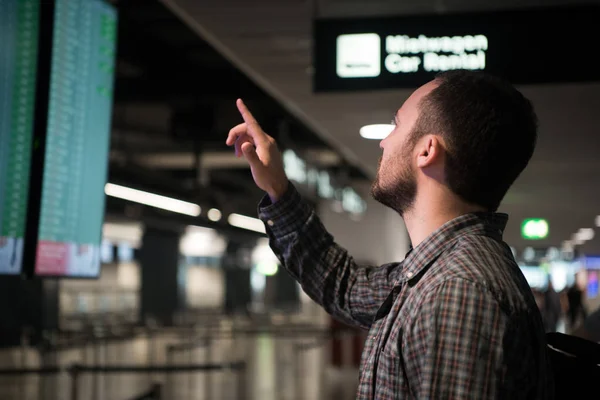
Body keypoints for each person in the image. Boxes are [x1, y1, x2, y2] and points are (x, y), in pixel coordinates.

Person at [227, 70, 553, 399]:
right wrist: (277, 189)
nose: (384, 141)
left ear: (427, 151)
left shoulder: (457, 290)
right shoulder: (437, 273)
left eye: (396, 125)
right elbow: (344, 285)